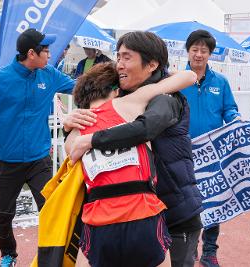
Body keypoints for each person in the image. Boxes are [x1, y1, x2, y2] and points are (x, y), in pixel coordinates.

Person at [63, 31, 203, 267]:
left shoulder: (166, 97)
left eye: (127, 58)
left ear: (151, 64)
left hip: (175, 213)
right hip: (133, 214)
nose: (119, 65)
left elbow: (145, 128)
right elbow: (74, 147)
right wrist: (71, 124)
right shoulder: (123, 97)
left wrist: (92, 140)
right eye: (118, 57)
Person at [0, 28, 75, 267]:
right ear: (31, 53)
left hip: (39, 160)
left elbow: (81, 87)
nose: (50, 55)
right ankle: (9, 255)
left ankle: (51, 258)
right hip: (7, 160)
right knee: (3, 214)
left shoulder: (50, 75)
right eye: (46, 51)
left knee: (51, 209)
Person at [180, 29, 240, 267]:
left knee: (215, 202)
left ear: (210, 54)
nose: (199, 54)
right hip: (183, 153)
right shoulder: (177, 80)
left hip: (213, 153)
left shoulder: (220, 82)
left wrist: (235, 119)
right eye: (195, 49)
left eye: (204, 50)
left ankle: (210, 251)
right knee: (188, 202)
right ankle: (191, 245)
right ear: (188, 51)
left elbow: (229, 110)